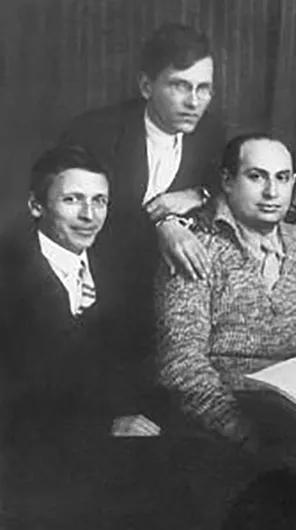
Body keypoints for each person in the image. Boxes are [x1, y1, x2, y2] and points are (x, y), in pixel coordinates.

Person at [155, 133, 296, 529]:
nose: (272, 192)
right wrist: (248, 434)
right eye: (256, 176)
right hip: (216, 428)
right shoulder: (195, 247)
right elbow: (180, 365)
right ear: (227, 181)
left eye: (282, 178)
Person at [59, 24, 226, 421]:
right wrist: (163, 220)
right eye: (180, 86)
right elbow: (79, 220)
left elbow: (232, 188)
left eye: (204, 88)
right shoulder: (94, 133)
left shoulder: (212, 133)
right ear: (146, 86)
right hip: (98, 285)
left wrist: (199, 194)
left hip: (167, 290)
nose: (194, 102)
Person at [0, 145, 161, 528]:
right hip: (29, 453)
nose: (89, 216)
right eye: (72, 200)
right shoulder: (9, 276)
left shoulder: (115, 270)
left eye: (99, 201)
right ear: (36, 206)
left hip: (110, 440)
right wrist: (102, 426)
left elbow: (133, 361)